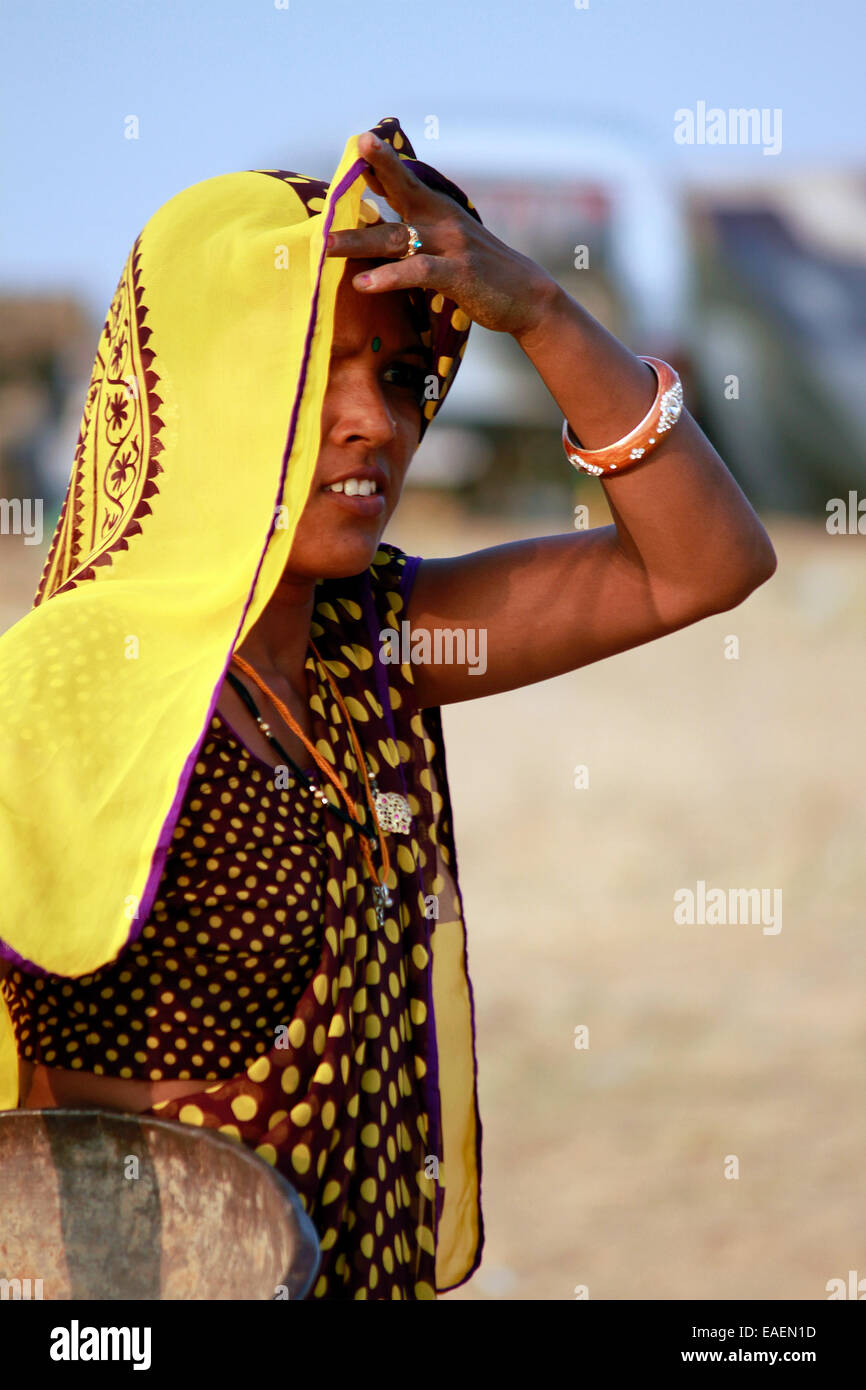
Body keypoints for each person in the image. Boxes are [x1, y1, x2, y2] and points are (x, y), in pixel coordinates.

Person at [0, 116, 776, 1301]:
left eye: (404, 377)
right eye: (317, 372)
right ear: (202, 390)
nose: (381, 422)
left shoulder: (373, 642)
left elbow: (699, 564)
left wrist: (544, 315)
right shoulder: (59, 687)